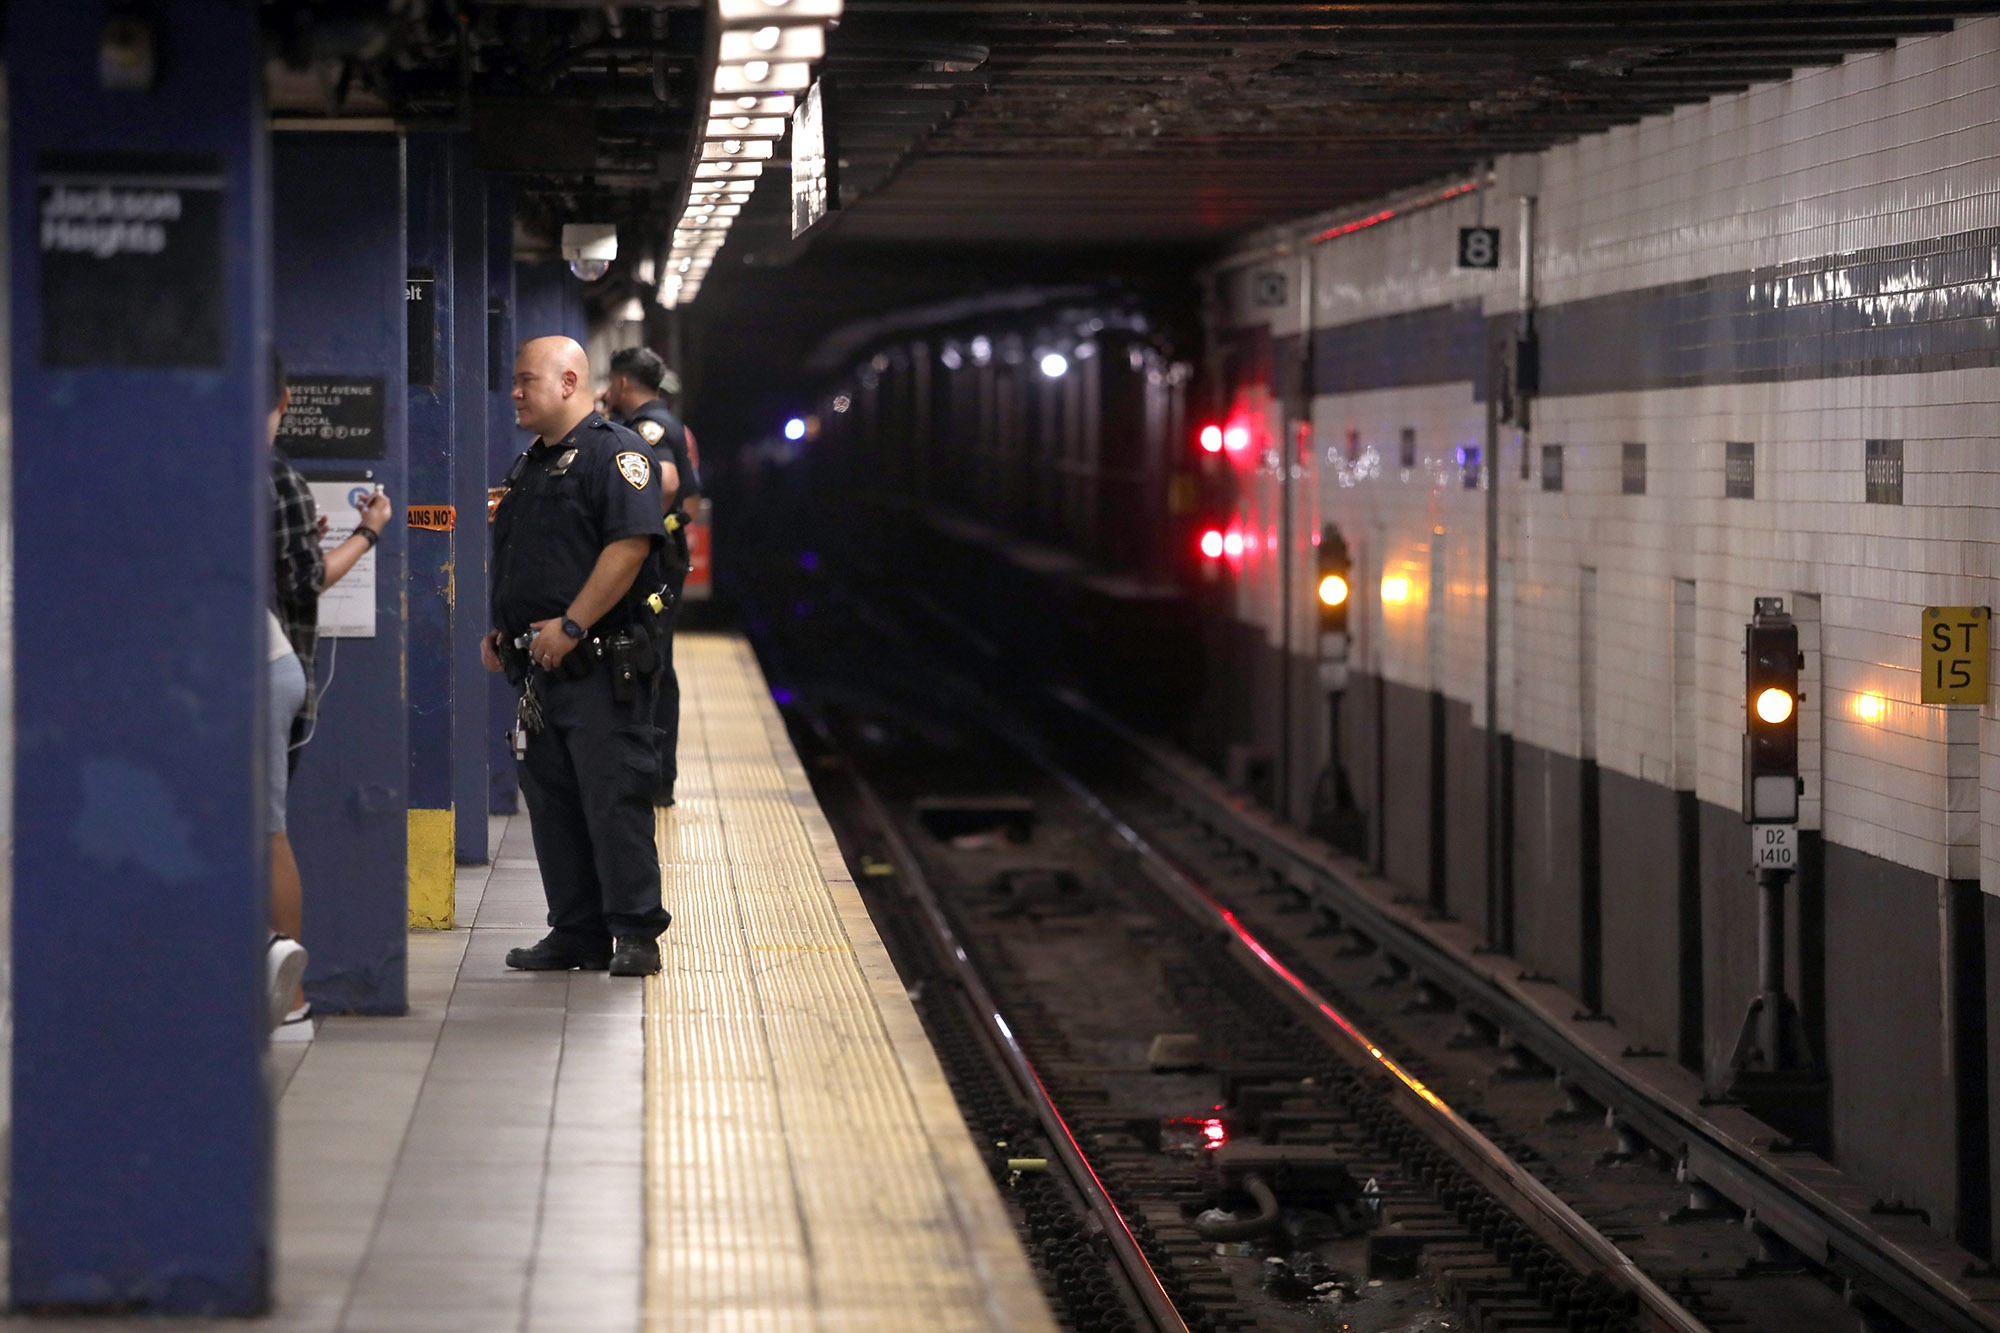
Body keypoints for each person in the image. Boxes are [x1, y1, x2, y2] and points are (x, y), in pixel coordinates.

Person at [483, 335, 673, 977]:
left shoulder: (615, 454)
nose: (514, 391)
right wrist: (501, 632)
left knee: (613, 797)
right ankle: (577, 932)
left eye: (524, 379)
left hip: (598, 666)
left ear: (568, 383)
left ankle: (635, 933)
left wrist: (570, 623)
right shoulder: (530, 465)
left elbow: (629, 547)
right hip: (540, 670)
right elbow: (530, 558)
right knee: (554, 805)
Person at [268, 348, 393, 1031]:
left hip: (248, 668)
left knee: (256, 828)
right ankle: (287, 995)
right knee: (267, 829)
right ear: (284, 400)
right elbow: (306, 580)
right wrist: (369, 530)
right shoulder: (276, 473)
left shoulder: (221, 468)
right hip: (275, 662)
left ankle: (283, 991)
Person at [606, 346, 700, 808]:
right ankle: (656, 775)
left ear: (623, 382)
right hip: (667, 558)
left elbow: (662, 483)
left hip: (655, 565)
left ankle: (656, 779)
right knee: (655, 658)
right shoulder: (667, 421)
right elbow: (693, 499)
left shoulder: (649, 425)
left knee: (650, 661)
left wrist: (634, 532)